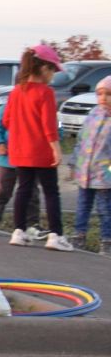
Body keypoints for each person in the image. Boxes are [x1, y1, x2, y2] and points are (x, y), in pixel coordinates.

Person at [1, 43, 73, 251]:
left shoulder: (16, 92)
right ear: (44, 68)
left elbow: (6, 120)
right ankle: (56, 235)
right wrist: (56, 149)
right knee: (51, 192)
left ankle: (18, 231)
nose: (53, 75)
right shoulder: (46, 93)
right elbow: (49, 125)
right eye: (53, 70)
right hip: (41, 150)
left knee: (23, 189)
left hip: (20, 150)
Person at [69, 77, 110, 254]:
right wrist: (74, 163)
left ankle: (107, 239)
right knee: (82, 205)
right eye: (100, 94)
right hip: (85, 171)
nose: (103, 98)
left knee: (105, 209)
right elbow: (81, 141)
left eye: (108, 94)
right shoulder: (93, 114)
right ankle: (79, 235)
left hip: (105, 175)